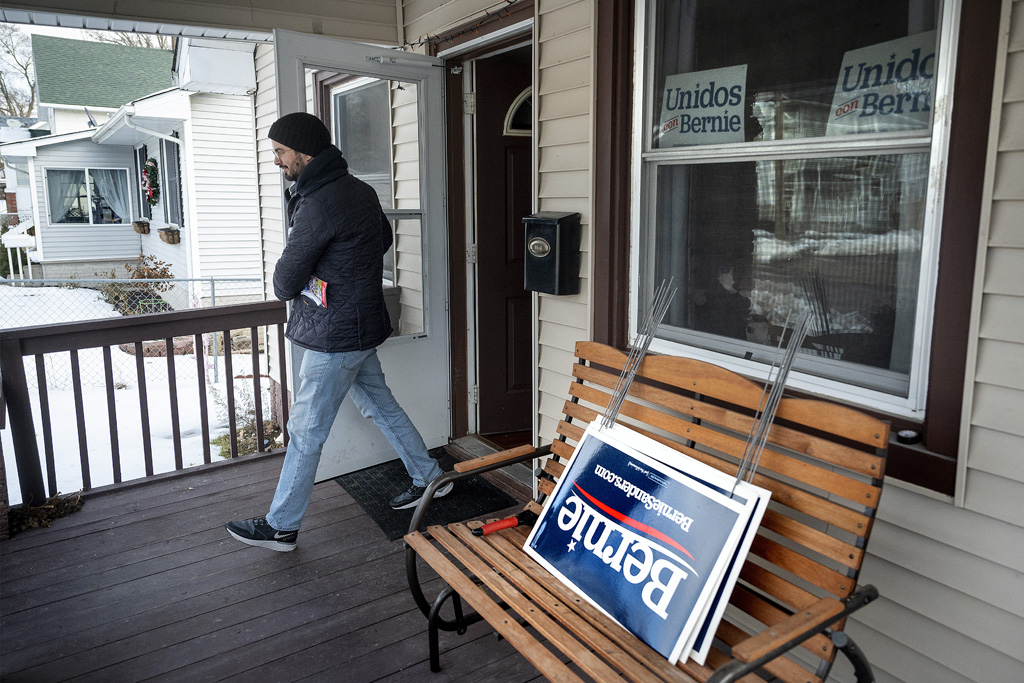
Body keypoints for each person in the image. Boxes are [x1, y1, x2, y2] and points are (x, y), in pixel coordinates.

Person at [226, 112, 450, 552]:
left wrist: (328, 276)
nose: (276, 161)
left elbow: (285, 281)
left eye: (280, 152)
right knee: (380, 406)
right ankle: (430, 478)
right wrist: (345, 270)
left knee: (307, 429)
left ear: (304, 153)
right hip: (361, 325)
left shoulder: (318, 202)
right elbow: (381, 239)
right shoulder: (359, 190)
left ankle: (282, 526)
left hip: (335, 335)